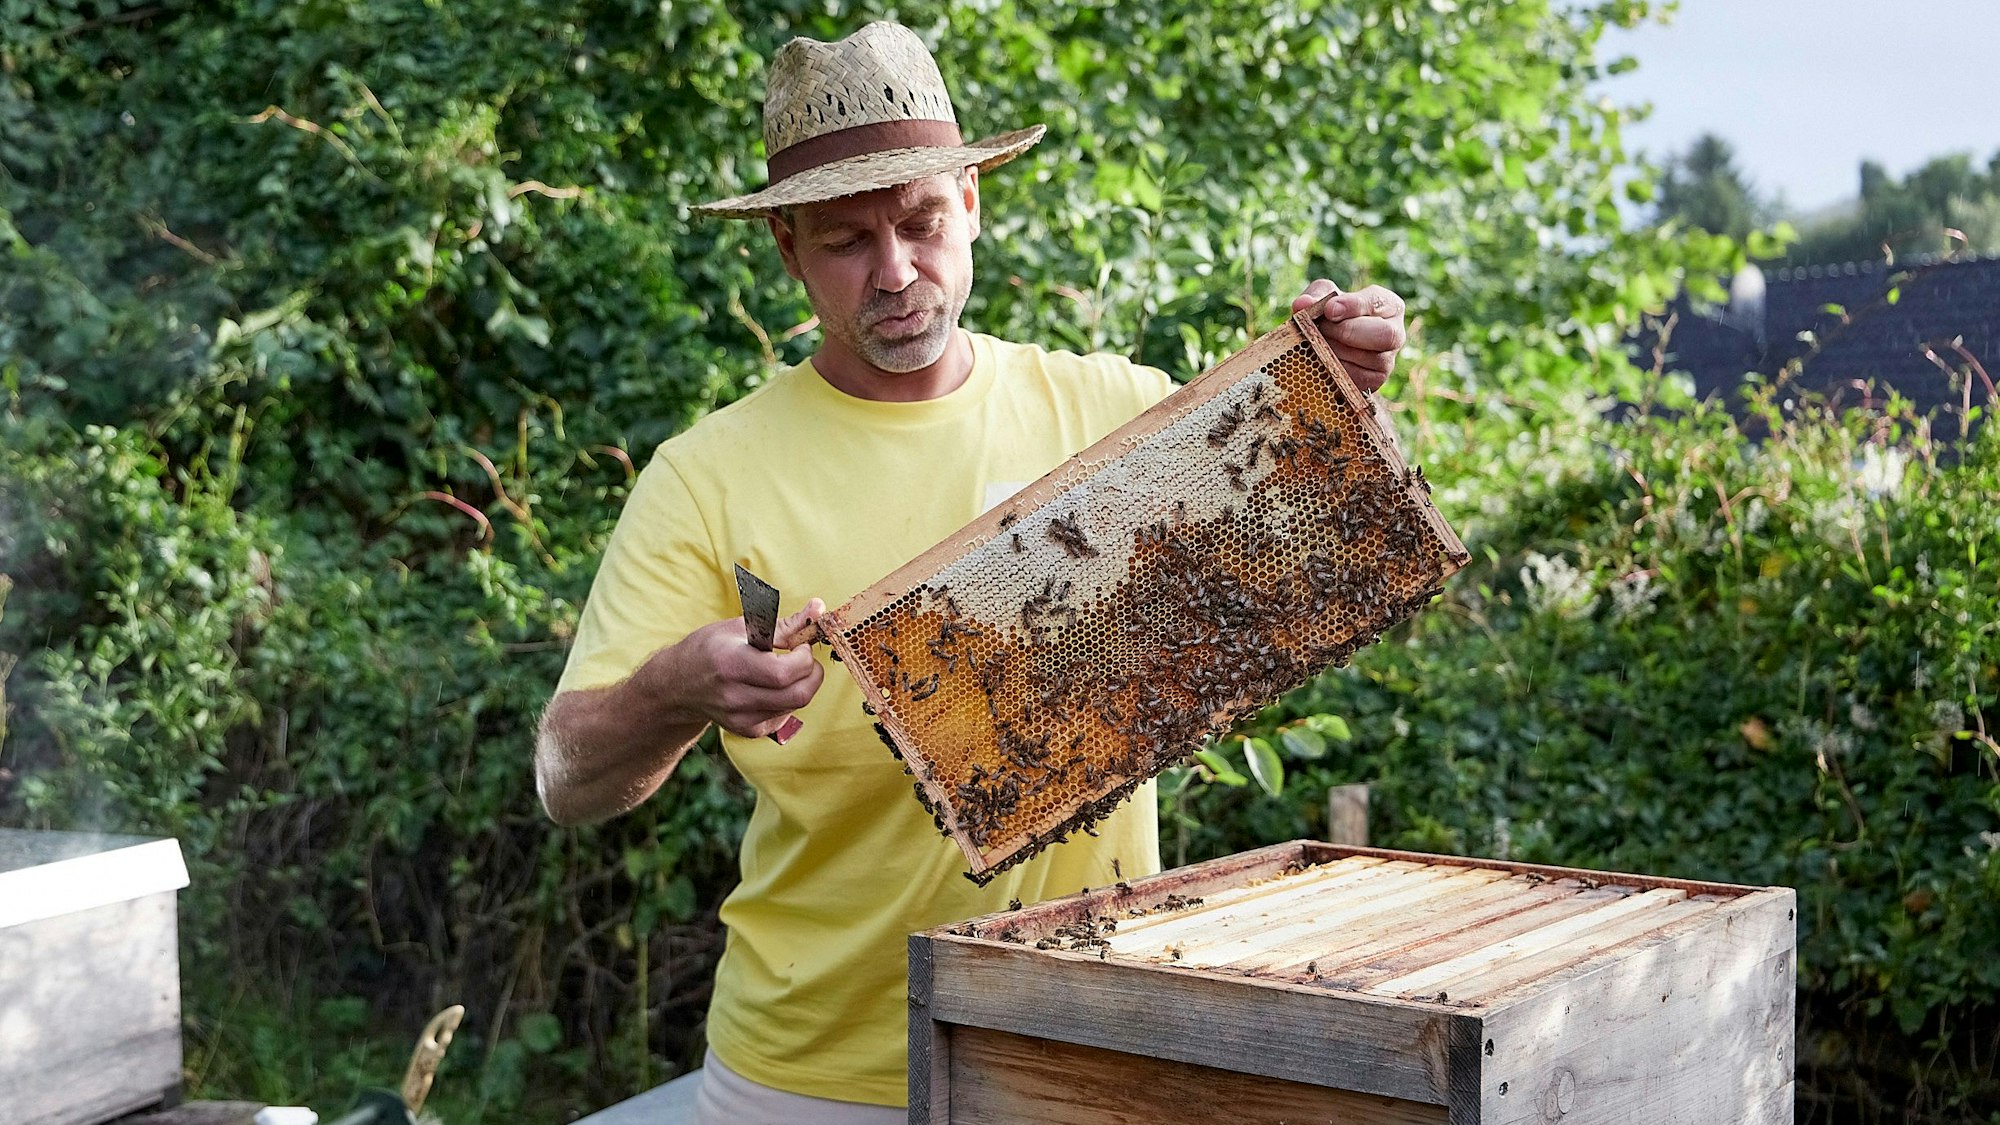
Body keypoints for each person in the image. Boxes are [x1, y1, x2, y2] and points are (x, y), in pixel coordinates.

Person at [534, 20, 1409, 1124]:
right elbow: (565, 782)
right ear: (786, 251)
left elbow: (1299, 549)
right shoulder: (702, 478)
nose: (895, 272)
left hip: (1084, 1042)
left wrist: (1331, 387)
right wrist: (672, 691)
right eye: (847, 239)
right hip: (808, 1080)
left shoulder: (1114, 413)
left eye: (920, 221)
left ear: (974, 208)